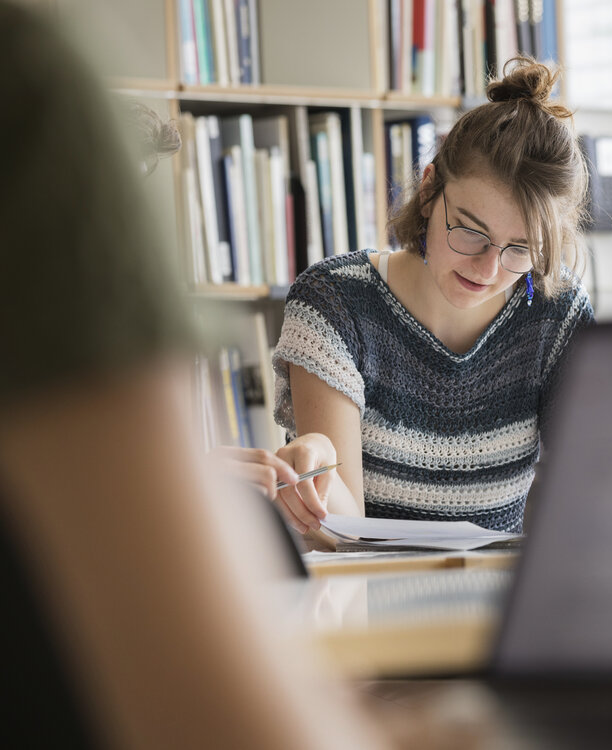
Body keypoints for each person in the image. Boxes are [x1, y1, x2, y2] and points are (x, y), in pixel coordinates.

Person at [0, 3, 487, 747]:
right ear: (431, 193)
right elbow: (215, 717)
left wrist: (175, 477)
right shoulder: (29, 95)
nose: (488, 268)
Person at [270, 56, 594, 540]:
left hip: (502, 604)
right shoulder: (334, 305)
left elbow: (587, 499)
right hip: (372, 605)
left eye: (522, 248)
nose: (487, 269)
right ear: (428, 191)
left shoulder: (558, 315)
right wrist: (314, 469)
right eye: (469, 230)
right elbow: (342, 535)